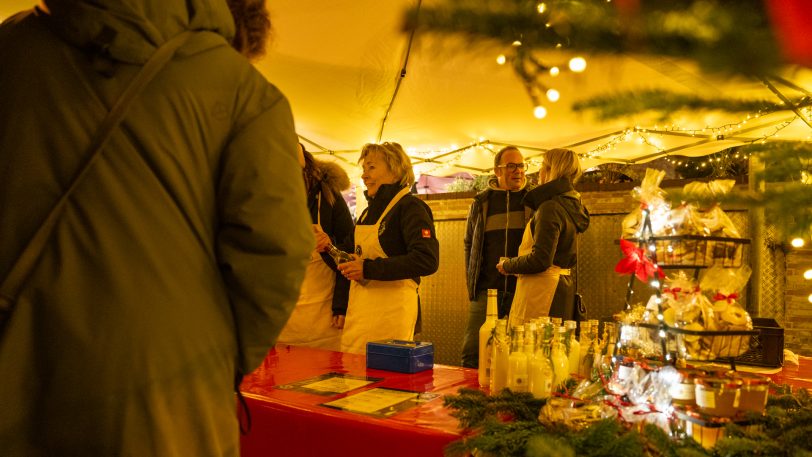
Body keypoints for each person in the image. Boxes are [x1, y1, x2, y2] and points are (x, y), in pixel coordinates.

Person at [0, 1, 312, 455]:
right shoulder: (245, 92)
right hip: (166, 398)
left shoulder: (12, 51)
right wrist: (217, 360)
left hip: (15, 373)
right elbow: (277, 251)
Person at [336, 142, 439, 354]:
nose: (364, 176)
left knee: (386, 380)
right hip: (360, 314)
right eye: (364, 169)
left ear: (395, 170)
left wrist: (368, 269)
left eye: (371, 167)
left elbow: (426, 259)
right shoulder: (366, 213)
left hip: (392, 316)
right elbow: (345, 255)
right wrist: (325, 246)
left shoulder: (410, 207)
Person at [497, 148, 590, 327]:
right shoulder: (571, 205)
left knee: (535, 349)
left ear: (550, 170)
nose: (539, 172)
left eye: (542, 166)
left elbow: (541, 259)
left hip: (543, 292)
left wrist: (508, 265)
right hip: (560, 289)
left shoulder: (550, 208)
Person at [460, 146, 532, 368]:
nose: (517, 171)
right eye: (511, 166)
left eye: (521, 165)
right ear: (497, 170)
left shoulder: (534, 200)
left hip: (522, 290)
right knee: (473, 352)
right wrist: (472, 282)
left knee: (517, 354)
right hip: (487, 291)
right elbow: (469, 244)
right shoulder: (482, 203)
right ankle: (470, 400)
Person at [277, 144, 354, 350]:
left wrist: (341, 305)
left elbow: (350, 253)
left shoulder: (328, 197)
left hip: (324, 317)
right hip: (283, 317)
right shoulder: (270, 200)